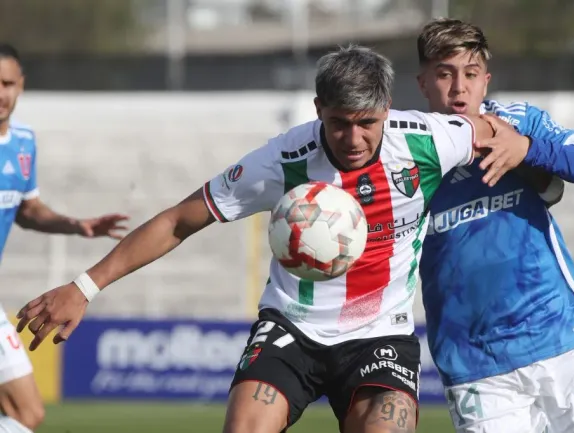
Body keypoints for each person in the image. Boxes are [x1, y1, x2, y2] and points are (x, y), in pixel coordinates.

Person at [15, 45, 520, 433]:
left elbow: (497, 128)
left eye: (367, 123)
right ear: (320, 108)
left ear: (386, 109)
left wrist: (520, 143)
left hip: (379, 332)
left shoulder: (431, 138)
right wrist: (84, 287)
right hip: (292, 328)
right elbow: (178, 221)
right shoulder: (282, 160)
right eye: (339, 123)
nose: (353, 138)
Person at [415, 18, 574, 433]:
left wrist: (527, 149)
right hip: (477, 366)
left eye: (471, 74)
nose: (459, 88)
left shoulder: (519, 121)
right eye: (444, 74)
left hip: (559, 338)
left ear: (486, 82)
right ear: (423, 82)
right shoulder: (406, 152)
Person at [0, 43, 129, 433]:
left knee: (27, 415)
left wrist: (76, 225)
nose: (0, 93)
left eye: (7, 83)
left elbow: (27, 209)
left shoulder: (23, 142)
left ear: (21, 85)